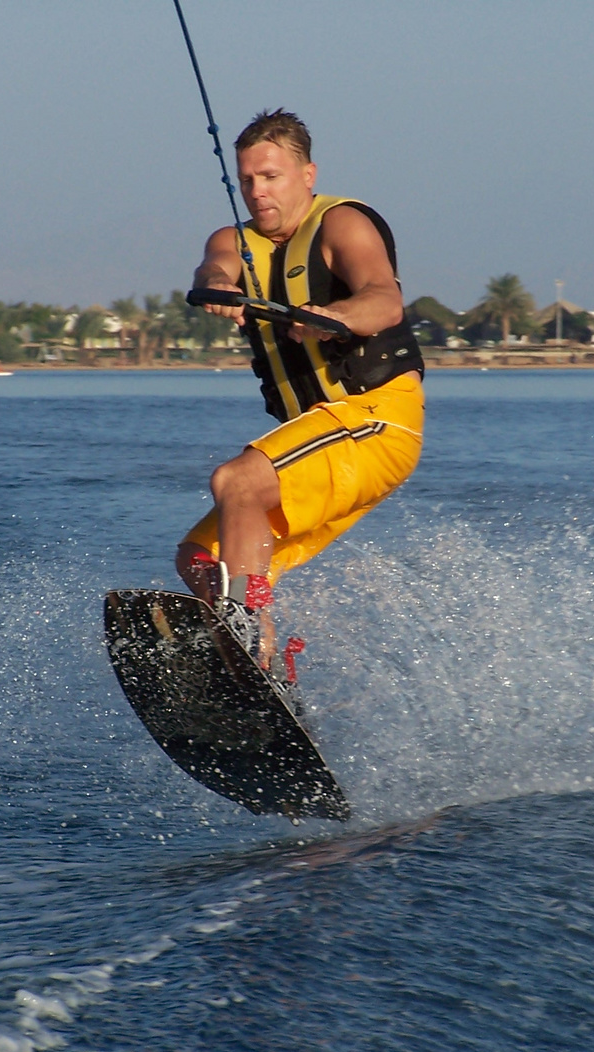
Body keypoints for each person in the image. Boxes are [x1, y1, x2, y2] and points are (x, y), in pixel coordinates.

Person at [176, 109, 425, 677]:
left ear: (307, 174)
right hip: (321, 437)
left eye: (271, 177)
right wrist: (217, 287)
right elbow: (213, 267)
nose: (257, 192)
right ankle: (262, 669)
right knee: (201, 560)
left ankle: (242, 629)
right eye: (247, 181)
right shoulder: (234, 242)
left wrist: (333, 317)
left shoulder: (342, 225)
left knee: (236, 481)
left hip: (375, 422)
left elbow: (384, 300)